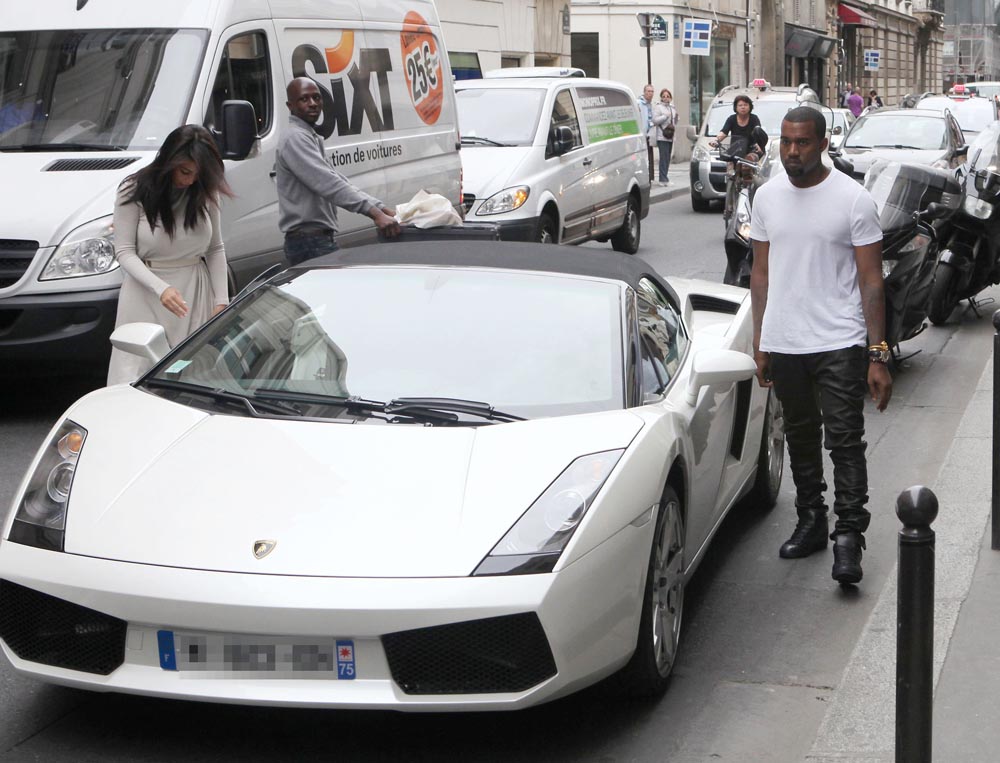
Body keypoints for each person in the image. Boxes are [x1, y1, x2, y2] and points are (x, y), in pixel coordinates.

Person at [749, 107, 892, 587]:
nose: (792, 151)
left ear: (823, 142)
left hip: (840, 339)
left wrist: (878, 354)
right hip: (787, 339)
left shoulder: (852, 200)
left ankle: (849, 537)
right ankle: (812, 520)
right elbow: (761, 272)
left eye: (802, 143)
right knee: (800, 436)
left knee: (845, 440)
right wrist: (760, 338)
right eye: (786, 142)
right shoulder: (766, 197)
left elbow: (872, 281)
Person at [107, 124, 232, 386]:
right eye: (184, 171)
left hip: (194, 291)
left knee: (193, 373)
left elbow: (215, 248)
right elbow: (125, 252)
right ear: (169, 161)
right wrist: (161, 288)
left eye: (197, 174)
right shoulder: (134, 189)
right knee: (135, 373)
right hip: (145, 292)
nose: (189, 180)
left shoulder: (206, 192)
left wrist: (221, 301)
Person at [276, 77, 399, 265]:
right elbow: (327, 183)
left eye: (317, 98)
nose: (313, 104)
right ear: (290, 105)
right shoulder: (295, 138)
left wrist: (381, 208)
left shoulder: (308, 135)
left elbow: (338, 179)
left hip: (316, 240)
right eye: (304, 99)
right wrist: (374, 213)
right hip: (308, 243)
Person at [713, 95, 764, 219]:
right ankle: (729, 208)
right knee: (731, 175)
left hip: (751, 151)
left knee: (748, 168)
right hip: (735, 151)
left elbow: (758, 132)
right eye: (740, 105)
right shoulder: (731, 119)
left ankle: (752, 199)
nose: (743, 107)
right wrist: (716, 140)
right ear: (736, 107)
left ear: (750, 107)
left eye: (745, 105)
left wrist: (759, 144)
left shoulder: (754, 119)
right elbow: (724, 132)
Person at [652, 88, 679, 186]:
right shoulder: (658, 107)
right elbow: (655, 120)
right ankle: (662, 179)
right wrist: (664, 116)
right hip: (662, 136)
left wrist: (676, 118)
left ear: (670, 98)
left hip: (670, 136)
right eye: (663, 96)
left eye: (668, 96)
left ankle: (665, 177)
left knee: (667, 158)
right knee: (663, 157)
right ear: (661, 98)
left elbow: (674, 121)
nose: (666, 98)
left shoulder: (672, 107)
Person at [638, 84, 656, 182]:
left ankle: (649, 177)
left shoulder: (651, 105)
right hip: (642, 135)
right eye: (648, 91)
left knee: (649, 156)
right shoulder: (639, 103)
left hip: (650, 135)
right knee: (642, 157)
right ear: (644, 92)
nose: (650, 93)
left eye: (652, 91)